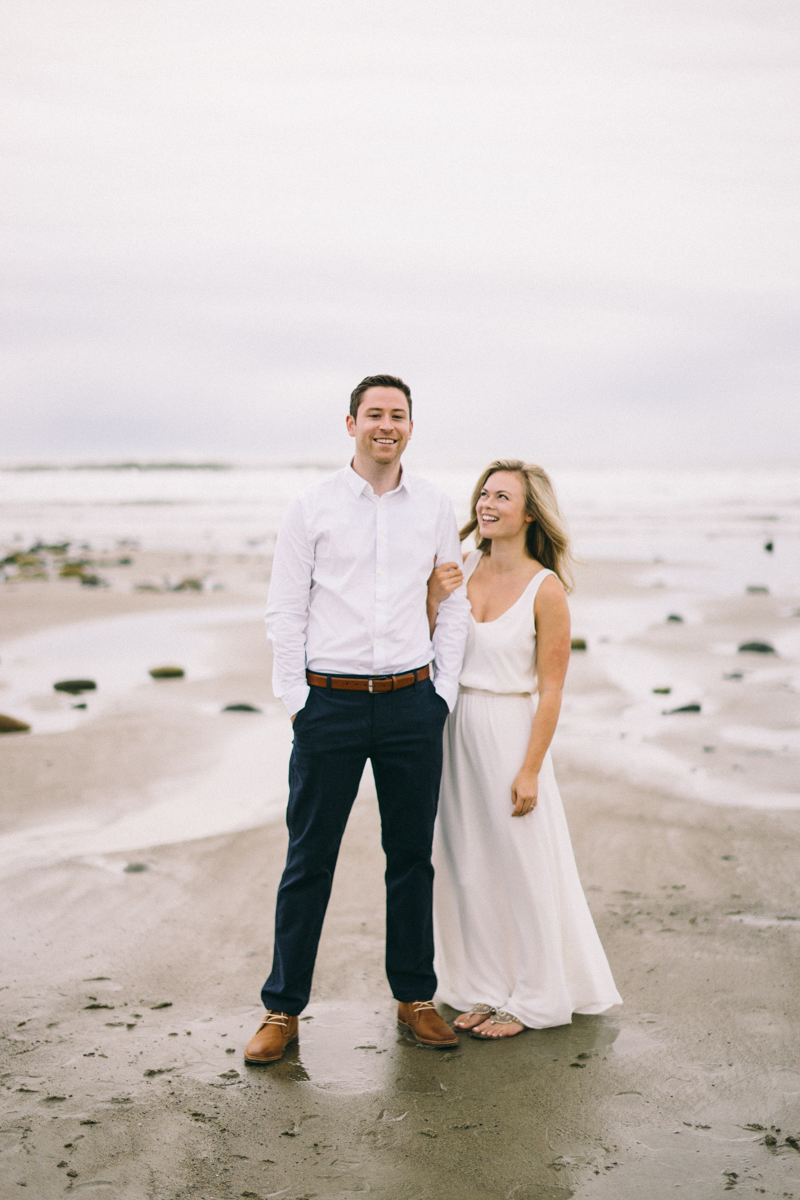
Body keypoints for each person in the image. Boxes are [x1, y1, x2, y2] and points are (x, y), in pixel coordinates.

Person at [245, 375, 471, 1064]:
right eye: (374, 414)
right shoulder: (311, 507)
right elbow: (284, 609)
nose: (386, 425)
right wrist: (297, 701)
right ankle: (282, 1011)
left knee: (410, 860)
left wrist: (442, 693)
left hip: (410, 703)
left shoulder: (433, 504)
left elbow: (453, 601)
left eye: (398, 415)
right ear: (350, 424)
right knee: (308, 861)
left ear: (410, 426)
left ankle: (415, 998)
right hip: (330, 705)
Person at [427, 460, 621, 1038]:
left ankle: (536, 996)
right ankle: (485, 986)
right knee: (466, 865)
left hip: (510, 730)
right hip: (452, 726)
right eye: (484, 493)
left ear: (529, 512)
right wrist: (435, 599)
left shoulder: (547, 588)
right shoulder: (459, 569)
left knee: (523, 865)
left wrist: (531, 768)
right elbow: (431, 645)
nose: (487, 504)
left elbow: (552, 688)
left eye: (502, 496)